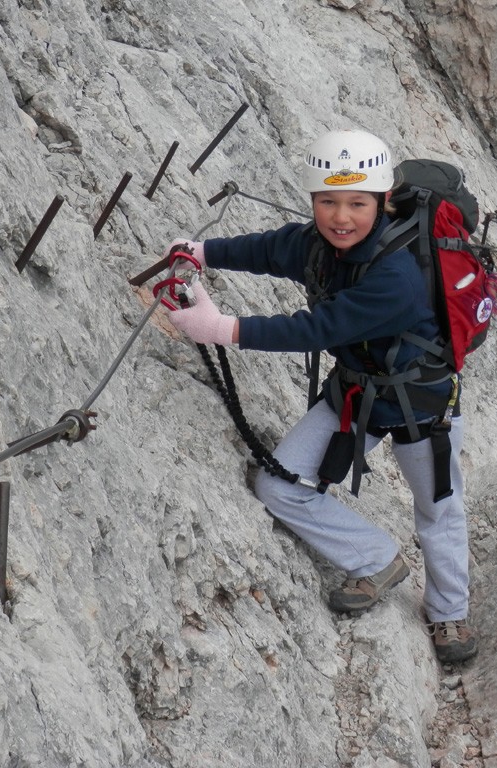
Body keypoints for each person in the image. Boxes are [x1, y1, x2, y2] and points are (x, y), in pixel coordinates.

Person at [163, 129, 477, 663]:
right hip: (355, 395)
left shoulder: (397, 278)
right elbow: (270, 249)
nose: (340, 217)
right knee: (279, 485)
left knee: (438, 510)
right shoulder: (320, 243)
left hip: (422, 409)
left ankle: (450, 615)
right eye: (328, 201)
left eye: (357, 203)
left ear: (382, 202)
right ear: (313, 201)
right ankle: (375, 559)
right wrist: (202, 252)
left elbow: (317, 328)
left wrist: (221, 328)